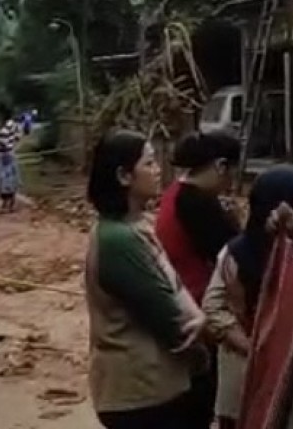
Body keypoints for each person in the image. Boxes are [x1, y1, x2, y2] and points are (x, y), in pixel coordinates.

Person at [85, 129, 207, 429]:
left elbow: (173, 287)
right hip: (143, 393)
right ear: (124, 176)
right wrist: (202, 346)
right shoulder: (119, 240)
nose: (158, 170)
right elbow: (171, 320)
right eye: (149, 163)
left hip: (152, 388)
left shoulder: (135, 227)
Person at [203, 166, 293, 429]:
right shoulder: (236, 254)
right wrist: (254, 349)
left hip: (289, 372)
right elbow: (213, 307)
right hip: (246, 370)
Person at [155, 130, 243, 429]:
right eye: (232, 172)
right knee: (204, 398)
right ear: (220, 166)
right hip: (201, 309)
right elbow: (231, 254)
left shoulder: (175, 193)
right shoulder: (199, 204)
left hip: (182, 303)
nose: (231, 182)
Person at [0, 103, 22, 212]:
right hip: (9, 152)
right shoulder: (14, 125)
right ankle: (10, 202)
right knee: (10, 178)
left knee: (5, 179)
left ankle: (7, 203)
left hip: (4, 154)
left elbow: (3, 142)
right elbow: (18, 137)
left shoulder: (4, 126)